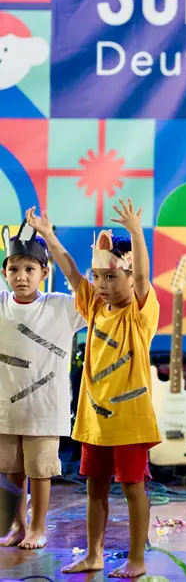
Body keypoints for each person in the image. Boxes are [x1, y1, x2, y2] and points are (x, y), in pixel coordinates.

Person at [29, 201, 160, 579]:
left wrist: (136, 232)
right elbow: (71, 271)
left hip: (130, 422)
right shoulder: (94, 306)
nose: (101, 285)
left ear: (130, 275)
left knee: (134, 488)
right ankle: (94, 554)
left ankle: (136, 559)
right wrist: (49, 235)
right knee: (95, 489)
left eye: (111, 277)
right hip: (95, 418)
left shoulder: (138, 312)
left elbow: (143, 276)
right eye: (98, 276)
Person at [0, 218, 86, 550]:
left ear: (44, 272)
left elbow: (85, 292)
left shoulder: (60, 307)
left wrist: (51, 236)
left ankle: (38, 528)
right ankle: (18, 527)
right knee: (11, 472)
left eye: (29, 269)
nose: (21, 276)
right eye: (14, 269)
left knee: (40, 471)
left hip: (45, 411)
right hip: (7, 409)